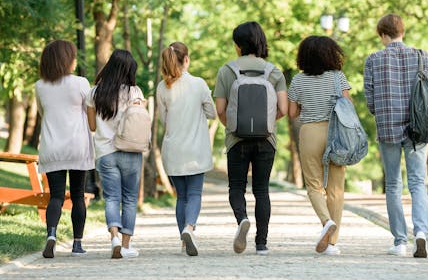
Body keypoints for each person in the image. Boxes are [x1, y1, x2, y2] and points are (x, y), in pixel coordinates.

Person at [364, 14, 428, 258]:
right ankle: (421, 234)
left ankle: (399, 242)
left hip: (388, 129)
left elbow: (371, 101)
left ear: (383, 35)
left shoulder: (373, 60)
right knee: (417, 183)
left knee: (393, 184)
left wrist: (385, 111)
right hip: (419, 129)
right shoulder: (421, 56)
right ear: (402, 32)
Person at [214, 21, 288, 255]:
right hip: (266, 140)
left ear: (238, 45)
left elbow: (220, 109)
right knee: (261, 190)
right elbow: (284, 109)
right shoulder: (273, 71)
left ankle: (242, 219)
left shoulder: (227, 70)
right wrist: (266, 123)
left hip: (236, 140)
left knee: (236, 187)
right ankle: (261, 243)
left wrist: (234, 126)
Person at [287, 36, 351, 256]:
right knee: (336, 189)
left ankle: (326, 221)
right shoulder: (338, 78)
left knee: (314, 185)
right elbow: (347, 106)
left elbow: (292, 113)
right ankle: (332, 243)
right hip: (336, 133)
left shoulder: (297, 81)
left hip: (310, 132)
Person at [35, 39, 95, 258]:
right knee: (78, 195)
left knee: (56, 196)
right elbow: (90, 112)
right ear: (66, 59)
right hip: (77, 146)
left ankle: (51, 234)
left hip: (52, 147)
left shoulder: (40, 85)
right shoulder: (81, 83)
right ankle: (77, 244)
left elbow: (43, 113)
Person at [157, 42, 216, 256]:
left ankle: (183, 242)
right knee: (194, 193)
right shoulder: (199, 84)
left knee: (181, 196)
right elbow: (211, 112)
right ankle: (189, 228)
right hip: (195, 150)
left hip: (173, 149)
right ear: (187, 60)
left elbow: (164, 119)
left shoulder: (162, 88)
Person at [86, 49, 144, 259]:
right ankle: (126, 245)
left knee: (111, 197)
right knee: (129, 198)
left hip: (105, 152)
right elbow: (139, 121)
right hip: (130, 150)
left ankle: (114, 238)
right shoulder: (135, 92)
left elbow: (92, 126)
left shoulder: (94, 93)